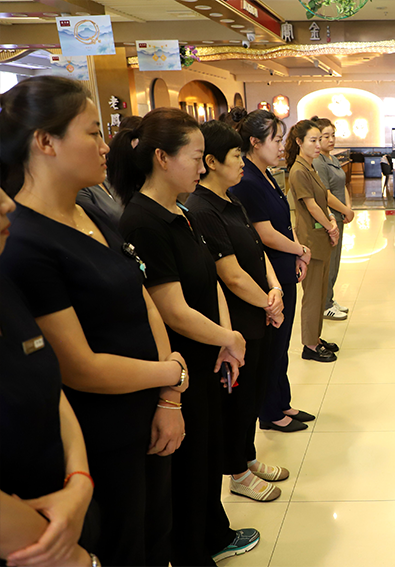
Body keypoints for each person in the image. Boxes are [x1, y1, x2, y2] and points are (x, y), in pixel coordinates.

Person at [0, 76, 188, 567]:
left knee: (157, 533)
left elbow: (143, 298)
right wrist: (170, 373)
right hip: (104, 430)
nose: (106, 146)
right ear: (45, 142)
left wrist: (168, 397)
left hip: (151, 408)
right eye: (92, 133)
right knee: (125, 543)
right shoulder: (24, 242)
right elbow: (79, 366)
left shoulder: (91, 212)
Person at [111, 107, 261, 563]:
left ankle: (213, 535)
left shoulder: (181, 209)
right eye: (196, 158)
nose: (202, 167)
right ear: (162, 157)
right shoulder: (143, 221)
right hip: (180, 367)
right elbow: (171, 310)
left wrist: (225, 336)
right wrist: (228, 339)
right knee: (189, 470)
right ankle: (195, 550)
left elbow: (210, 279)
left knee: (207, 456)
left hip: (207, 355)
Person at [186, 120, 291, 501]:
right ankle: (237, 472)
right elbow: (230, 275)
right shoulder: (202, 208)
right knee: (237, 401)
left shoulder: (232, 199)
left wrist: (274, 290)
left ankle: (247, 457)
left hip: (259, 313)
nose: (242, 162)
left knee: (253, 394)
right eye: (235, 156)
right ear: (211, 162)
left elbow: (257, 251)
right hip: (237, 322)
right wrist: (268, 302)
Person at [0, 187, 96, 567]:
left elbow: (48, 384)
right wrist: (73, 556)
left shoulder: (5, 284)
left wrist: (79, 481)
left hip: (66, 502)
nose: (7, 203)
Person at [229, 109, 316, 432]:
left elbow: (283, 223)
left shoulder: (266, 174)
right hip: (270, 271)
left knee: (282, 344)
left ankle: (282, 402)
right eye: (276, 140)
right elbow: (264, 233)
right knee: (273, 345)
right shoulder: (248, 180)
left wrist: (296, 251)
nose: (281, 147)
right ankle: (269, 412)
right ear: (254, 142)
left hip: (284, 264)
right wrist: (301, 250)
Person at [285, 119, 342, 363]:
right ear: (299, 142)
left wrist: (331, 219)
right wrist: (331, 227)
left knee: (320, 293)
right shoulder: (298, 171)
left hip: (321, 238)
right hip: (311, 240)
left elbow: (322, 200)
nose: (318, 145)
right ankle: (309, 345)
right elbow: (311, 206)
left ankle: (316, 338)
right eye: (313, 140)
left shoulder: (310, 167)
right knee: (312, 295)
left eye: (320, 140)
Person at [311, 116, 355, 321]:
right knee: (328, 263)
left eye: (333, 135)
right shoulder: (318, 162)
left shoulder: (333, 159)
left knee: (335, 261)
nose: (331, 140)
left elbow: (342, 185)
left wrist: (348, 208)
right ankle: (325, 304)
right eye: (325, 136)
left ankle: (329, 298)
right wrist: (345, 210)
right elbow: (325, 195)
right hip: (328, 217)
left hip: (339, 214)